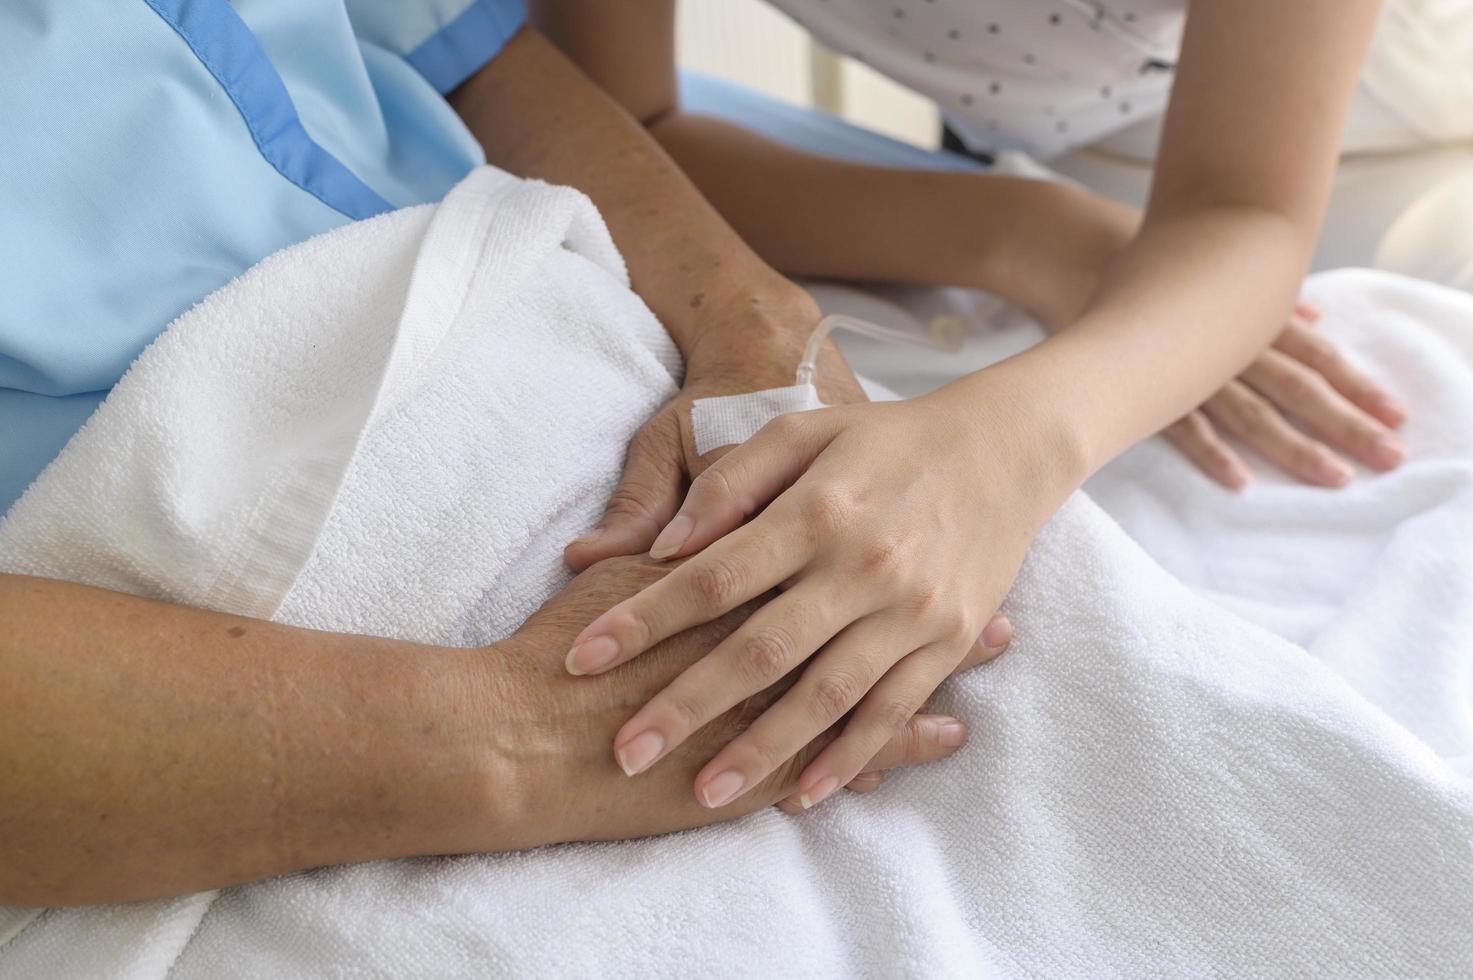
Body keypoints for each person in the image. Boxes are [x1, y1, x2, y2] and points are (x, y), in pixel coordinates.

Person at [0, 2, 981, 905]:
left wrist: (753, 321)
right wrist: (519, 736)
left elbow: (473, 56)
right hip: (206, 712)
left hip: (620, 339)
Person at [533, 0, 1412, 815]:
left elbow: (1242, 206)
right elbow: (617, 127)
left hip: (1383, 110)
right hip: (1072, 159)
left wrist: (1007, 445)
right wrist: (1022, 232)